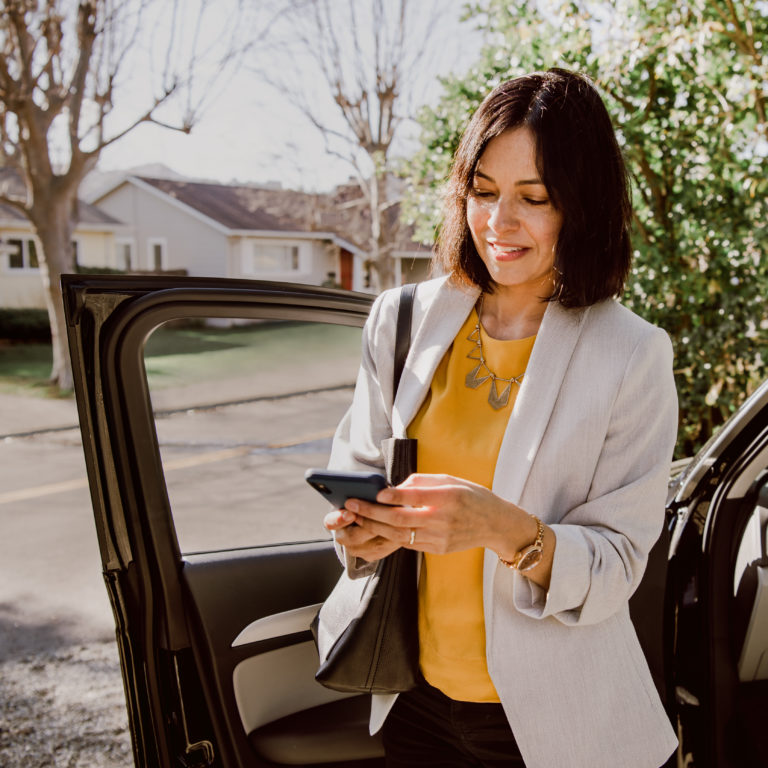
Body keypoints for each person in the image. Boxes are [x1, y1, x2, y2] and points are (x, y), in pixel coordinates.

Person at [322, 68, 678, 768]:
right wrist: (359, 533)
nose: (498, 223)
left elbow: (618, 564)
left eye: (533, 198)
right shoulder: (401, 321)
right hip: (415, 703)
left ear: (583, 207)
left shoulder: (632, 353)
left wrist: (505, 531)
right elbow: (356, 474)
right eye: (483, 192)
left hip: (556, 723)